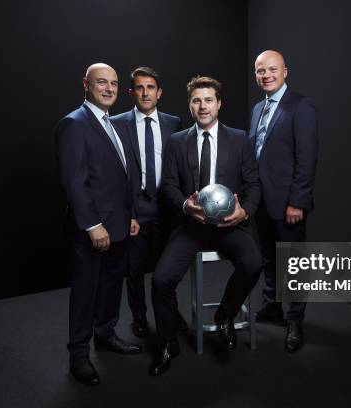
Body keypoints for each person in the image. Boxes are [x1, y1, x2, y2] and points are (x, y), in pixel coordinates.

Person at [149, 76, 262, 376]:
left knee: (253, 263)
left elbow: (253, 185)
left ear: (219, 103)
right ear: (190, 105)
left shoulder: (240, 139)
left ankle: (225, 314)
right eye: (197, 100)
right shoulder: (177, 141)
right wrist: (186, 205)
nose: (203, 106)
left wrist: (243, 213)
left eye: (208, 100)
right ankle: (165, 342)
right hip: (192, 226)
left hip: (229, 225)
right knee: (161, 281)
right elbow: (169, 186)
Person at [55, 63, 142, 386]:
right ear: (85, 84)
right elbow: (75, 181)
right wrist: (92, 225)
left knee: (109, 286)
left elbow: (119, 178)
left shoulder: (113, 124)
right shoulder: (74, 124)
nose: (108, 89)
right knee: (85, 291)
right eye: (101, 82)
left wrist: (129, 215)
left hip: (119, 225)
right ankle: (79, 355)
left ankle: (105, 335)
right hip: (92, 229)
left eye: (114, 84)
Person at [249, 50, 318, 352]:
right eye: (260, 71)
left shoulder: (300, 106)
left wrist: (297, 202)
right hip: (261, 201)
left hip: (288, 203)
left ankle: (295, 319)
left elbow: (307, 158)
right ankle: (272, 306)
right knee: (268, 257)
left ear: (285, 72)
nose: (266, 75)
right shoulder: (257, 109)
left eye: (272, 69)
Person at [111, 67, 185, 338]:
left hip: (165, 207)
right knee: (135, 268)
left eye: (150, 87)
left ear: (159, 92)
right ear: (131, 92)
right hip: (135, 208)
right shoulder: (117, 123)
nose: (145, 92)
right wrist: (126, 211)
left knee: (167, 267)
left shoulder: (173, 123)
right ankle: (139, 315)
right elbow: (115, 173)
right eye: (139, 87)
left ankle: (171, 312)